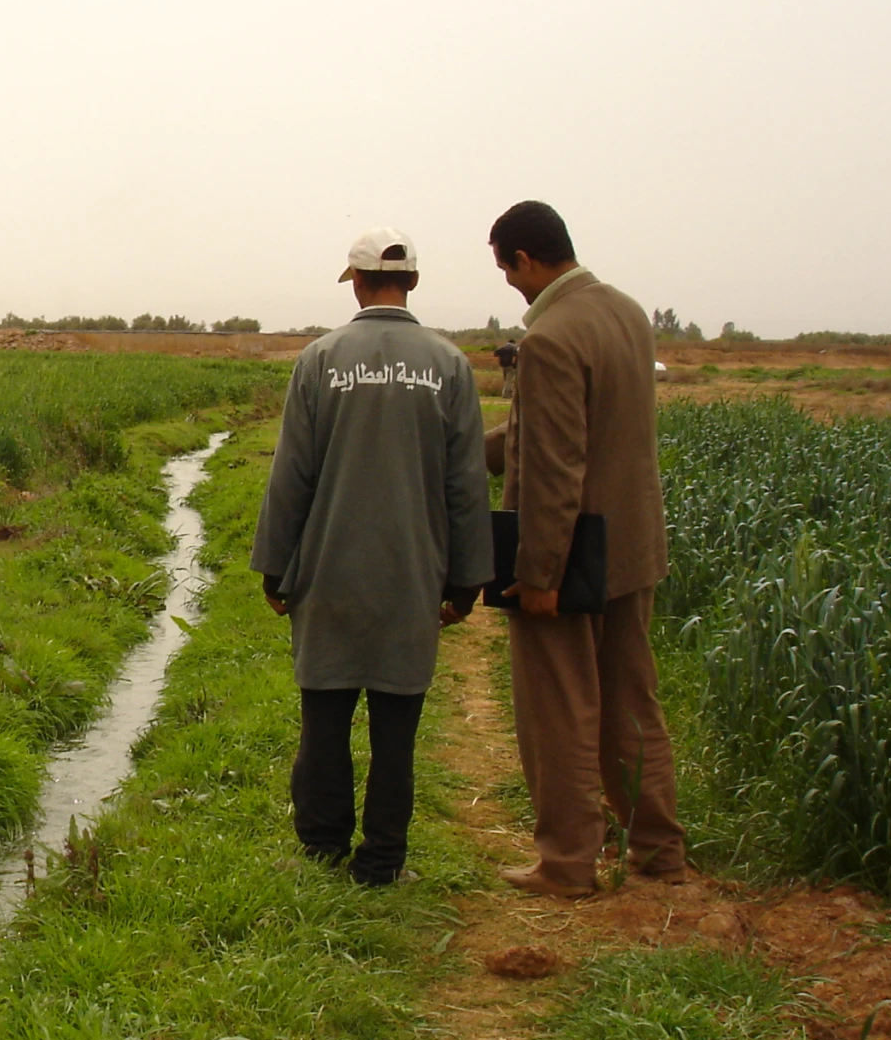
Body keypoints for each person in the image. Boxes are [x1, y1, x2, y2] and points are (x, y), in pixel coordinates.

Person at [251, 228, 495, 886]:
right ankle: (383, 861)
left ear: (356, 282)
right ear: (411, 283)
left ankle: (322, 848)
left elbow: (291, 475)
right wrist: (468, 578)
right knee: (396, 730)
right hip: (413, 576)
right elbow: (466, 483)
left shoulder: (321, 360)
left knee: (324, 719)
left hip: (328, 570)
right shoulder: (450, 366)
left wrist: (275, 565)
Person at [484, 200, 687, 898]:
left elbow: (554, 464)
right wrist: (466, 454)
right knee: (633, 704)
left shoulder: (549, 339)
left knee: (561, 710)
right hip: (632, 545)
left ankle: (567, 863)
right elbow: (562, 433)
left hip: (572, 556)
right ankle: (659, 850)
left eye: (506, 269)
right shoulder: (627, 313)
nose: (510, 284)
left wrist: (538, 573)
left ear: (525, 259)